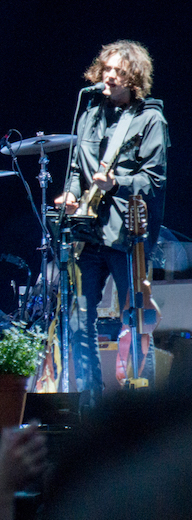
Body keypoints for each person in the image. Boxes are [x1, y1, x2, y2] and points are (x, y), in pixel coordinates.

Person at [54, 40, 168, 396]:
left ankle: (140, 404)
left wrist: (116, 182)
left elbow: (154, 181)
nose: (110, 77)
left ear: (133, 77)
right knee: (78, 320)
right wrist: (71, 192)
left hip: (126, 233)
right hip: (87, 232)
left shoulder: (151, 119)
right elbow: (76, 168)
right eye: (106, 70)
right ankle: (88, 402)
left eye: (118, 71)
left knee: (135, 320)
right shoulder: (89, 114)